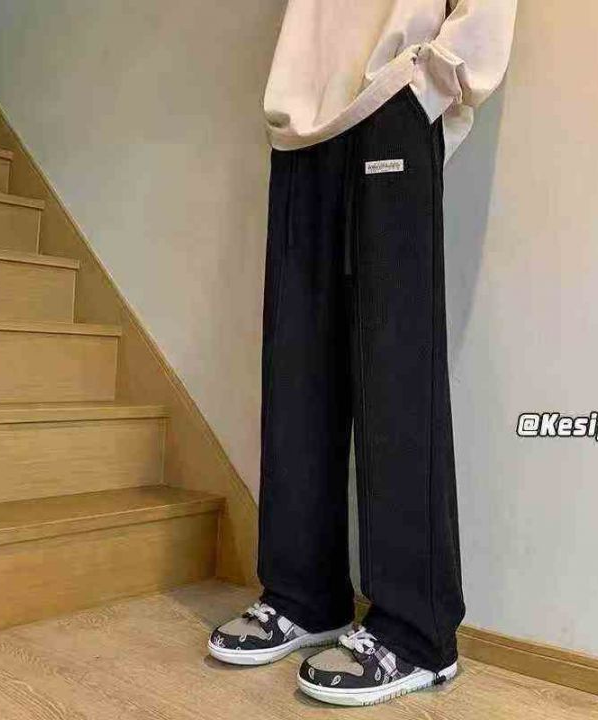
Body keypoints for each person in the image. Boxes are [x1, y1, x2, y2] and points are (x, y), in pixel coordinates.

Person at [208, 0, 517, 707]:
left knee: (395, 372)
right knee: (297, 371)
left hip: (393, 101)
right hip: (300, 125)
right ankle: (304, 593)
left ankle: (418, 631)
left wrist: (428, 84)